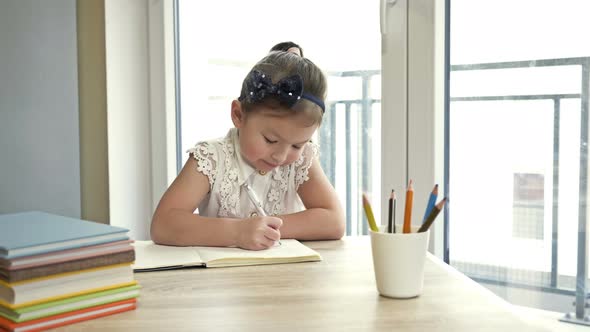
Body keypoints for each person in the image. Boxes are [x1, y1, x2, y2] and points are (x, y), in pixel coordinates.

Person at [150, 49, 345, 250]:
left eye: (297, 145)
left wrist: (267, 228)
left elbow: (334, 221)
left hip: (284, 278)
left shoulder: (302, 160)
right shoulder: (211, 158)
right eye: (270, 140)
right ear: (238, 115)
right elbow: (163, 224)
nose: (281, 156)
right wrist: (237, 232)